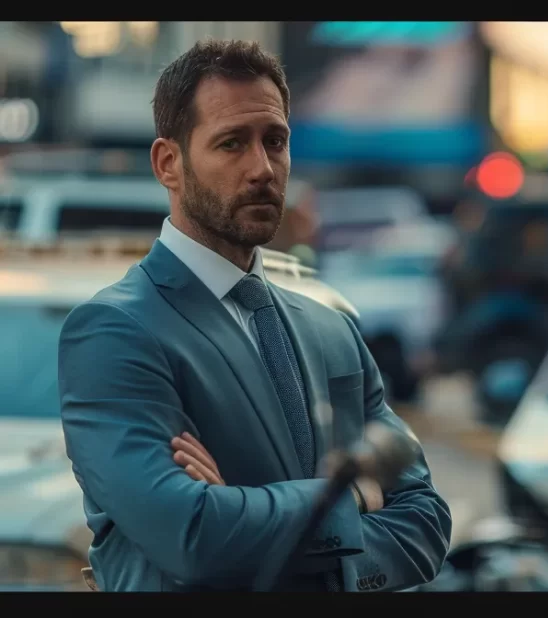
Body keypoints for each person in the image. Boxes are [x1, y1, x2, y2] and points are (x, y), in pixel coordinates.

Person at [57, 39, 451, 592]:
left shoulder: (331, 330)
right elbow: (192, 536)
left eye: (276, 141)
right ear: (169, 163)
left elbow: (427, 520)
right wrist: (351, 497)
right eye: (232, 144)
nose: (262, 168)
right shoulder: (114, 332)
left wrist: (244, 513)